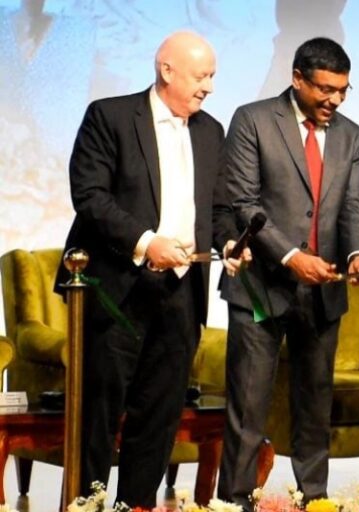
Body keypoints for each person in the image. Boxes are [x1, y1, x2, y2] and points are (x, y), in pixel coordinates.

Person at [55, 31, 237, 507]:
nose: (209, 87)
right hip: (116, 290)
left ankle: (136, 504)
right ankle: (86, 504)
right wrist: (145, 242)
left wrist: (231, 241)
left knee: (158, 417)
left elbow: (217, 209)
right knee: (99, 413)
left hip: (181, 294)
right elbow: (90, 196)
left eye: (213, 76)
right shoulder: (110, 117)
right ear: (167, 70)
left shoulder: (211, 131)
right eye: (202, 76)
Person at [217, 37, 359, 506]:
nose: (335, 100)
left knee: (314, 406)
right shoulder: (253, 120)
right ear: (298, 78)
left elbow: (353, 205)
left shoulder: (352, 134)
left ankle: (316, 498)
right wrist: (289, 257)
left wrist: (357, 255)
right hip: (260, 287)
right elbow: (243, 203)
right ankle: (236, 499)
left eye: (343, 90)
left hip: (322, 293)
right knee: (248, 406)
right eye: (325, 89)